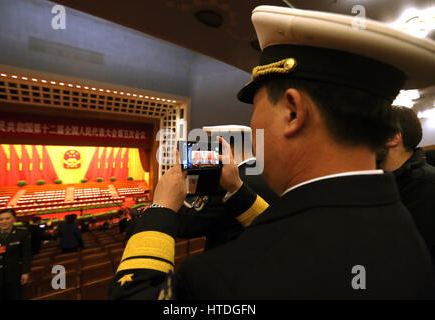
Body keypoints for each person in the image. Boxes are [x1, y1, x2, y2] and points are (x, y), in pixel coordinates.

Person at [109, 6, 435, 299]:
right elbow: (290, 227)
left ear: (293, 112)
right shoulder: (401, 222)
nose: (252, 126)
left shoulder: (222, 279)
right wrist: (237, 189)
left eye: (256, 109)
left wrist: (161, 206)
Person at [176, 125, 277, 250]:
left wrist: (177, 181)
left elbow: (185, 226)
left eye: (210, 148)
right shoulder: (271, 175)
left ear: (222, 148)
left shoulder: (228, 184)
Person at [376, 106, 435, 262]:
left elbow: (409, 252)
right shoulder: (382, 182)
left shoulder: (426, 183)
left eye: (373, 132)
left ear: (394, 138)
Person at [0, 209, 31, 300]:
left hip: (14, 275)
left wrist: (25, 272)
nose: (4, 221)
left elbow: (26, 254)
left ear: (14, 219)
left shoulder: (22, 233)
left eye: (7, 218)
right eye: (1, 219)